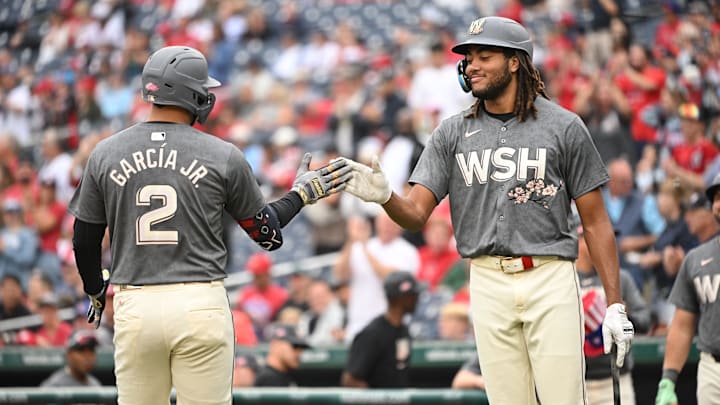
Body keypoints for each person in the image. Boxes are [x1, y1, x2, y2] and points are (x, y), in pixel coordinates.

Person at [342, 16, 634, 405]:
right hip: (485, 279)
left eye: (484, 55)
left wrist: (615, 303)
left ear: (515, 62)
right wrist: (385, 198)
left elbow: (596, 222)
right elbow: (415, 214)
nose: (471, 65)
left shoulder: (564, 126)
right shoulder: (450, 132)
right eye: (468, 57)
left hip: (548, 275)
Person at [68, 45, 352, 405]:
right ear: (191, 94)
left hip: (135, 305)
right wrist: (301, 195)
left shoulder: (105, 152)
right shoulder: (223, 154)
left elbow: (84, 238)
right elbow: (268, 235)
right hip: (199, 302)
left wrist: (95, 288)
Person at [655, 173, 720, 405]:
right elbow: (682, 325)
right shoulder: (696, 259)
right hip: (712, 369)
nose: (719, 204)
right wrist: (668, 380)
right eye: (716, 198)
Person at [575, 218, 651, 405]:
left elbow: (644, 321)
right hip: (577, 382)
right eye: (595, 239)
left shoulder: (620, 278)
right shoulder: (566, 279)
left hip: (616, 378)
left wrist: (626, 316)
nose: (605, 245)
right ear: (579, 240)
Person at [341, 271, 420, 388]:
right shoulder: (372, 333)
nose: (416, 298)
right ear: (399, 298)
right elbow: (350, 380)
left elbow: (400, 368)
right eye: (412, 295)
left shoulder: (403, 331)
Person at [254, 323, 311, 387]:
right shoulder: (269, 378)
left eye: (302, 349)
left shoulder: (286, 374)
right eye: (295, 346)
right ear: (276, 344)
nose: (299, 353)